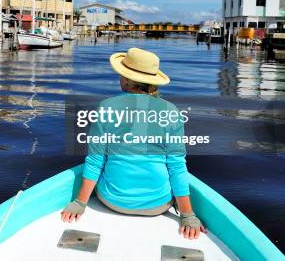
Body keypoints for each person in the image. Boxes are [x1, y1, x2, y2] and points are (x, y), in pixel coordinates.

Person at [61, 47, 206, 240]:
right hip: (158, 205)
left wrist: (79, 203)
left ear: (127, 80)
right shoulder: (172, 112)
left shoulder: (106, 107)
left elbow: (95, 160)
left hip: (111, 201)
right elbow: (177, 166)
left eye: (121, 74)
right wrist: (188, 215)